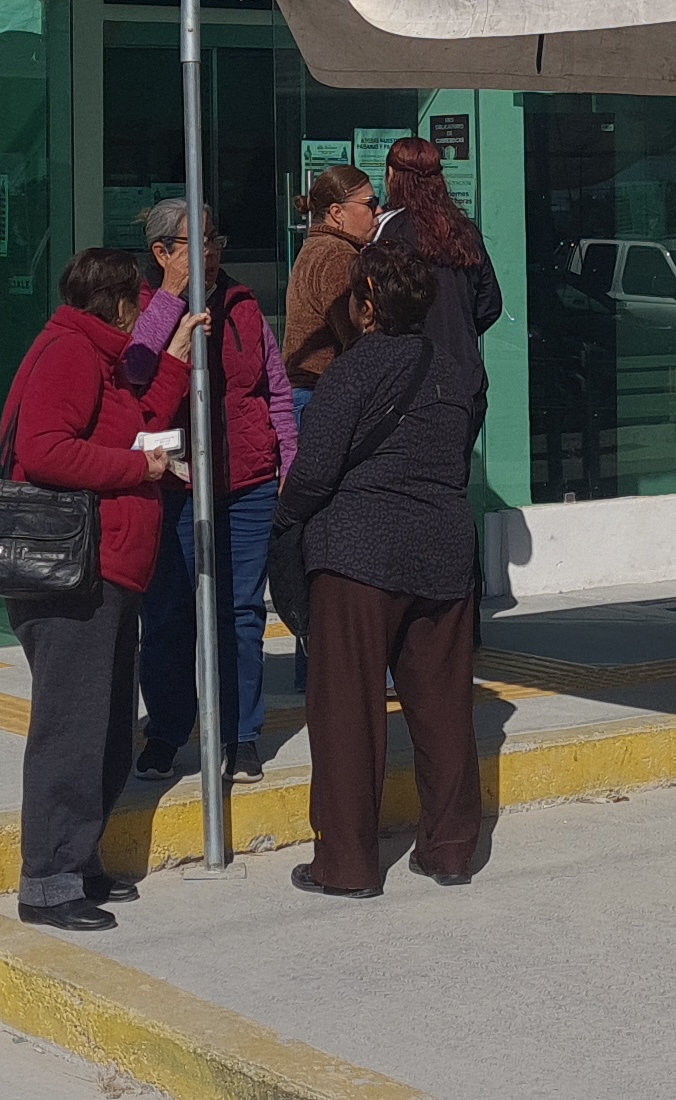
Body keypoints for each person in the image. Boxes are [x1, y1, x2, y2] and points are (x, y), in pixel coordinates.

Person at [0, 245, 193, 930]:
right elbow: (45, 450)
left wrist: (174, 365)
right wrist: (138, 473)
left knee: (105, 728)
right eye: (140, 299)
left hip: (107, 570)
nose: (144, 311)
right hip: (73, 575)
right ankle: (48, 883)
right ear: (119, 304)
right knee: (72, 729)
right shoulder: (71, 355)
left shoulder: (100, 357)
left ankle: (78, 862)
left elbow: (134, 432)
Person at [282, 243, 484, 895]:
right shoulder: (454, 372)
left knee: (348, 710)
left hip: (359, 556)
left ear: (367, 306)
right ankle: (450, 851)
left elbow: (314, 471)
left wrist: (287, 519)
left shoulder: (354, 370)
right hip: (444, 552)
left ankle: (346, 864)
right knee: (445, 709)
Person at [130, 199, 287, 783]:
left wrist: (287, 458)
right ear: (162, 253)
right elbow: (136, 370)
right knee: (169, 615)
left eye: (215, 239)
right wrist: (173, 297)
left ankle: (240, 734)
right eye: (197, 242)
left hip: (246, 481)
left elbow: (273, 387)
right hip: (174, 483)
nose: (211, 252)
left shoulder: (242, 303)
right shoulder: (143, 306)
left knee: (241, 613)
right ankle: (168, 729)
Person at [377, 136, 503, 353]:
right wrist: (459, 332)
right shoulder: (463, 230)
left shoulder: (388, 229)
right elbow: (489, 305)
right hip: (461, 362)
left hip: (410, 362)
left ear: (391, 174)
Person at [282, 164, 379, 392]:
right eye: (370, 203)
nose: (379, 211)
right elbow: (356, 335)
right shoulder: (337, 255)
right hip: (318, 389)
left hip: (306, 389)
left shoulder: (318, 246)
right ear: (337, 213)